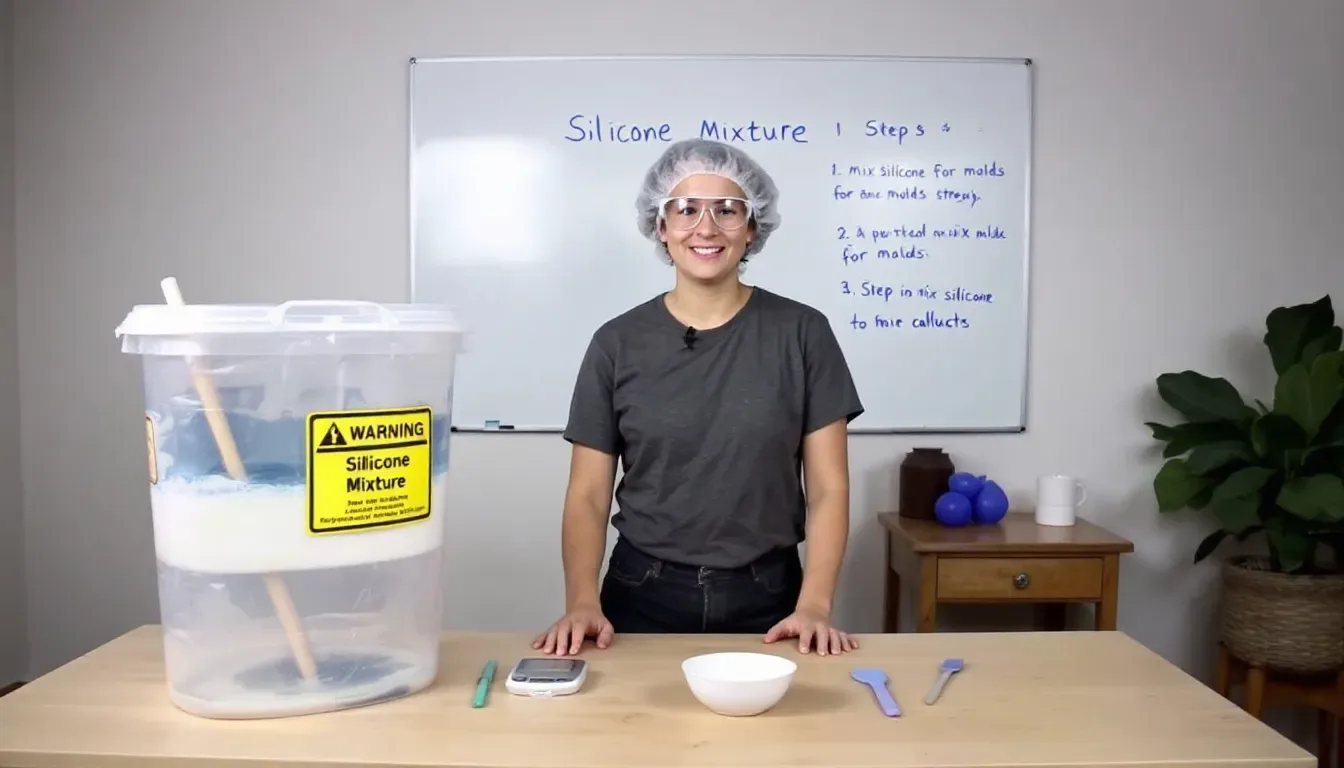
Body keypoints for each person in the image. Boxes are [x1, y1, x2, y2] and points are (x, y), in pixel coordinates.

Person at [532, 138, 864, 658]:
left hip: (772, 600)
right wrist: (581, 602)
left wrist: (816, 605)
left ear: (752, 228)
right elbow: (588, 495)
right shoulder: (616, 343)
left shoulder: (803, 333)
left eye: (727, 210)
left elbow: (827, 489)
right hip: (641, 594)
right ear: (660, 226)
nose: (706, 229)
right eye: (686, 210)